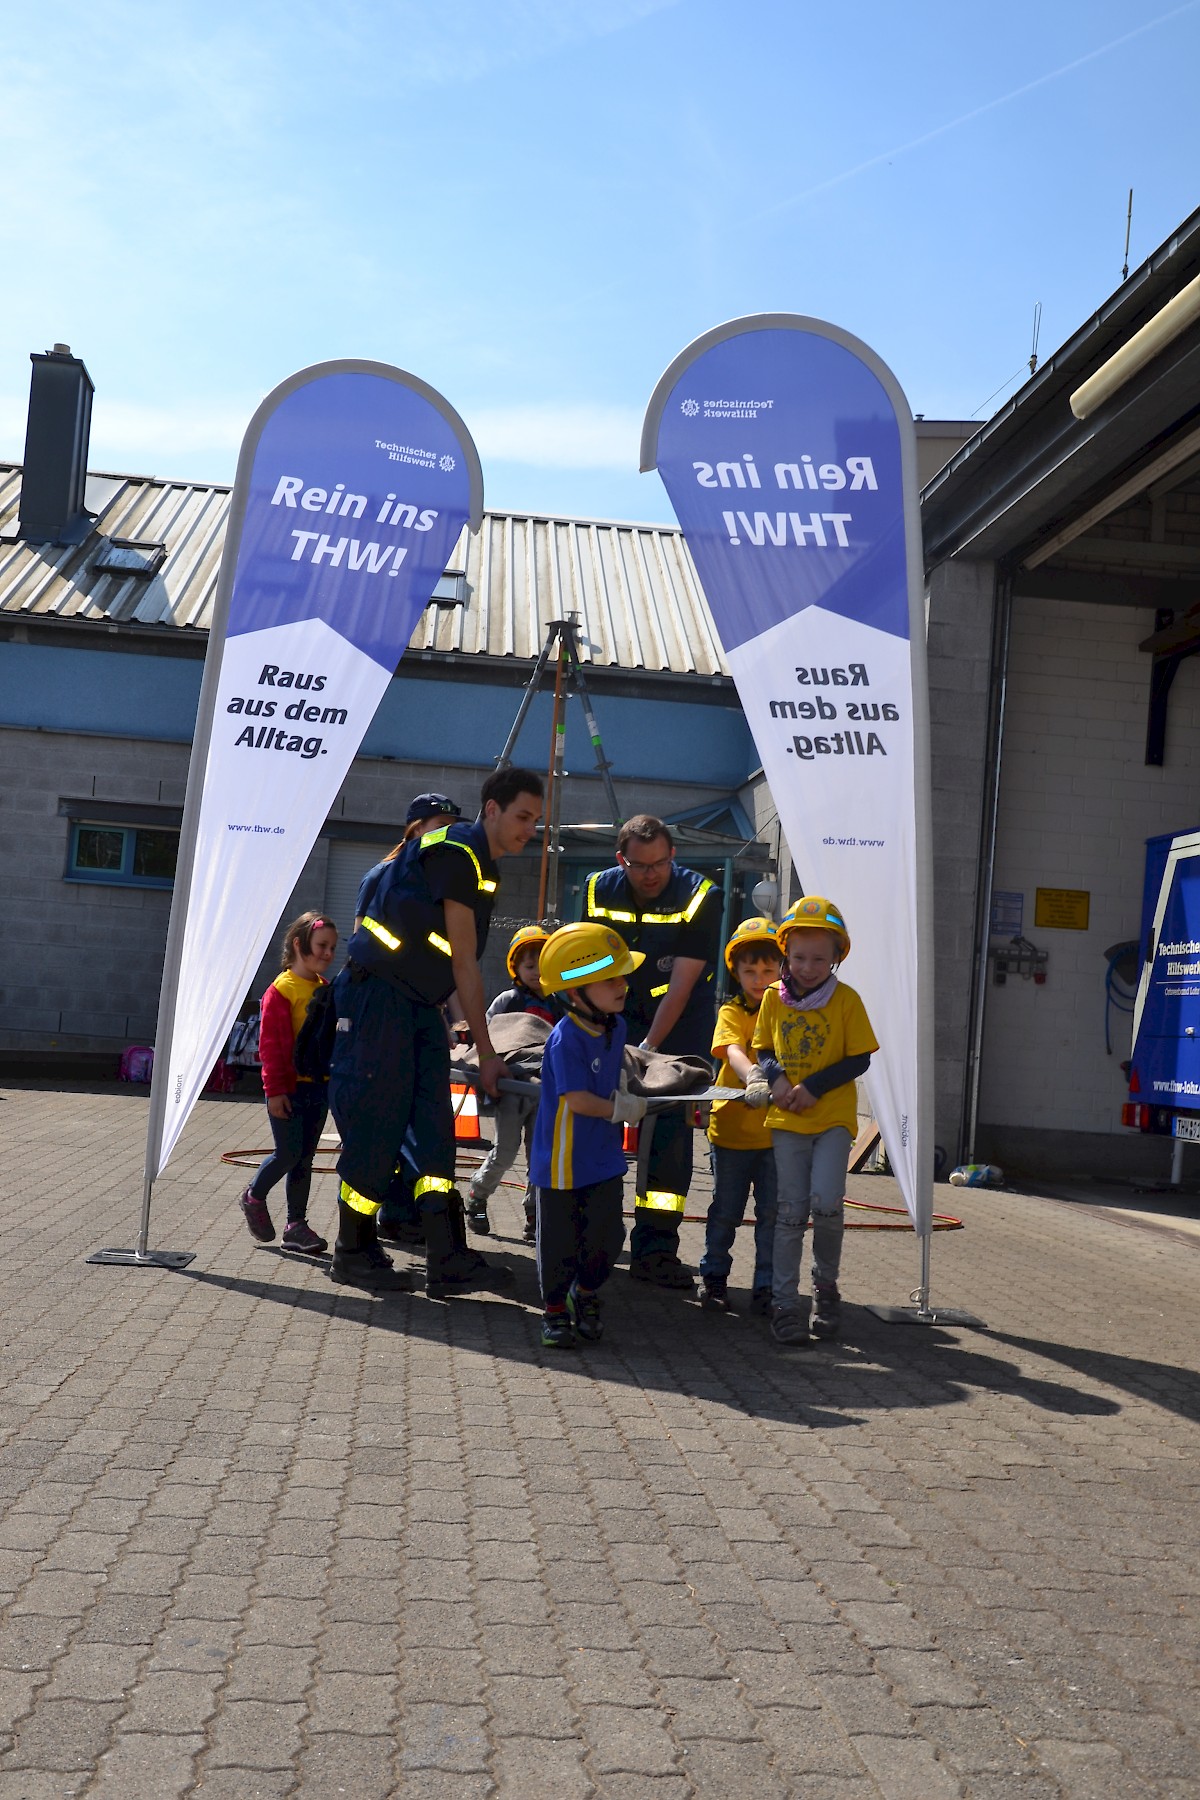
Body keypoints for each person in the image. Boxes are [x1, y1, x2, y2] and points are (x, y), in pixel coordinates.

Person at [329, 767, 544, 1295]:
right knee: (379, 1124)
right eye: (523, 817)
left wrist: (454, 1023)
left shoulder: (478, 861)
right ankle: (352, 1250)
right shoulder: (458, 853)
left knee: (433, 1130)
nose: (529, 830)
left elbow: (443, 958)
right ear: (491, 809)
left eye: (536, 821)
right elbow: (465, 963)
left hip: (416, 1004)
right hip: (380, 1000)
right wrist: (489, 1052)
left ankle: (448, 1256)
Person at [582, 814, 722, 1288]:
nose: (651, 874)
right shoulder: (598, 890)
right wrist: (597, 1031)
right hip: (614, 1013)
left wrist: (647, 1050)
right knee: (596, 1119)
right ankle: (588, 1235)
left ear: (672, 856)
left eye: (660, 863)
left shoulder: (701, 895)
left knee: (667, 1137)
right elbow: (588, 963)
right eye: (640, 865)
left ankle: (656, 1252)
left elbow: (681, 985)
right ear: (621, 860)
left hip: (679, 1027)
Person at [751, 897, 878, 1346]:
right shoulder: (772, 999)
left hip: (832, 1119)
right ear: (785, 952)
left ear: (836, 958)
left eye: (819, 959)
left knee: (825, 1202)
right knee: (789, 1212)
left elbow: (859, 1058)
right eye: (799, 957)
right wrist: (778, 1079)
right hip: (787, 1118)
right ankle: (786, 1305)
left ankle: (825, 1287)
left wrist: (814, 1087)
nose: (807, 967)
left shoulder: (847, 1001)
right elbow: (763, 1049)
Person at [530, 923, 647, 1348]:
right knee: (559, 1245)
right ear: (575, 991)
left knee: (606, 1237)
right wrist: (622, 1108)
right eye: (611, 978)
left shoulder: (615, 1027)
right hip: (562, 1162)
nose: (623, 984)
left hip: (604, 1159)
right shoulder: (565, 1039)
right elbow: (578, 1100)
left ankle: (588, 1292)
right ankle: (556, 1309)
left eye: (622, 975)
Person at [239, 912, 338, 1255]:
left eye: (332, 948)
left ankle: (296, 1226)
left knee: (304, 1158)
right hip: (289, 1090)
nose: (328, 954)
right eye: (321, 946)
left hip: (318, 1088)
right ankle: (254, 1196)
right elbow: (271, 1048)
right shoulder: (280, 991)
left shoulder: (326, 989)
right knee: (288, 1152)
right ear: (299, 944)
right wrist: (275, 1092)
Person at [699, 919, 782, 1316]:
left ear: (782, 969)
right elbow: (731, 1048)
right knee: (726, 1211)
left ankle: (766, 1287)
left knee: (773, 1216)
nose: (759, 978)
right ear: (735, 971)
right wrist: (753, 1073)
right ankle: (714, 1279)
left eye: (768, 970)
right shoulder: (732, 1010)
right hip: (731, 1131)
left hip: (777, 1135)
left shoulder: (789, 1014)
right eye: (750, 971)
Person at [466, 925, 560, 1242]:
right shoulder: (508, 1000)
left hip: (544, 1092)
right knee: (505, 1151)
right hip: (513, 1091)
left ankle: (534, 1215)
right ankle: (478, 1196)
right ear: (516, 968)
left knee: (540, 1154)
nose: (536, 973)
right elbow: (490, 1034)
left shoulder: (558, 1005)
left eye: (542, 966)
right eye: (530, 966)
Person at [354, 792, 462, 930]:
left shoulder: (444, 883)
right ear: (417, 828)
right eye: (441, 827)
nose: (448, 835)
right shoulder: (380, 876)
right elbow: (359, 940)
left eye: (451, 829)